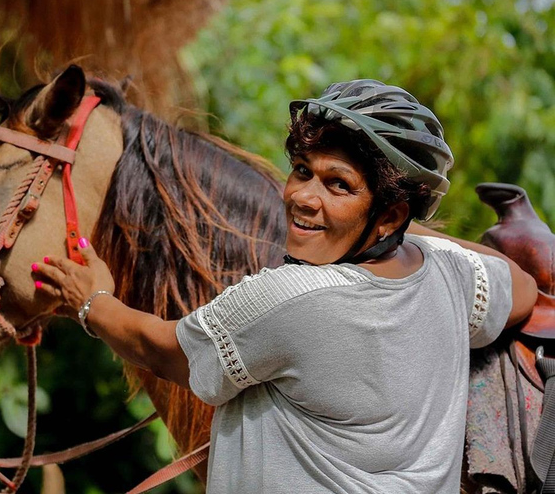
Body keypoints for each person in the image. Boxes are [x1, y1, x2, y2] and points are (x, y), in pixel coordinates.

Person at [31, 80, 539, 493]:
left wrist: (91, 300)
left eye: (337, 185)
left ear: (388, 214)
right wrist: (408, 229)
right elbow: (521, 287)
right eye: (301, 171)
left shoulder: (289, 299)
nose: (301, 198)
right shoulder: (450, 277)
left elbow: (163, 350)